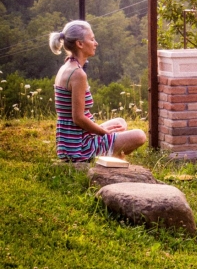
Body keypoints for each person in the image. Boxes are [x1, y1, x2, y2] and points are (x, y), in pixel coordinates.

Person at [49, 20, 146, 162]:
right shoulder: (77, 74)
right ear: (80, 44)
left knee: (120, 122)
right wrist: (103, 132)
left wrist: (99, 130)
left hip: (71, 139)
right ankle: (111, 156)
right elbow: (78, 118)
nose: (96, 43)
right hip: (79, 146)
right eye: (92, 39)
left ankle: (113, 154)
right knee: (140, 136)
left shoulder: (67, 66)